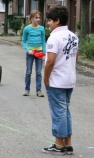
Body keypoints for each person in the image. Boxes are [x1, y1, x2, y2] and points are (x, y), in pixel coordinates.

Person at [42, 5, 79, 155]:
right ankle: (68, 144)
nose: (48, 23)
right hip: (69, 79)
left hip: (56, 81)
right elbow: (75, 57)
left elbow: (50, 61)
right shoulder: (73, 36)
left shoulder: (54, 37)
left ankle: (58, 145)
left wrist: (45, 78)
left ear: (57, 20)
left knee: (58, 112)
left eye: (50, 20)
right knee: (65, 111)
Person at [21, 10, 46, 97]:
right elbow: (23, 41)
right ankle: (27, 89)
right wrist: (28, 50)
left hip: (39, 52)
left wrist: (44, 53)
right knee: (28, 72)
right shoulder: (27, 29)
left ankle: (38, 90)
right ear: (31, 18)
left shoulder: (41, 29)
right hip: (31, 53)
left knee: (39, 72)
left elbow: (43, 42)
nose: (38, 19)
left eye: (39, 18)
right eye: (36, 18)